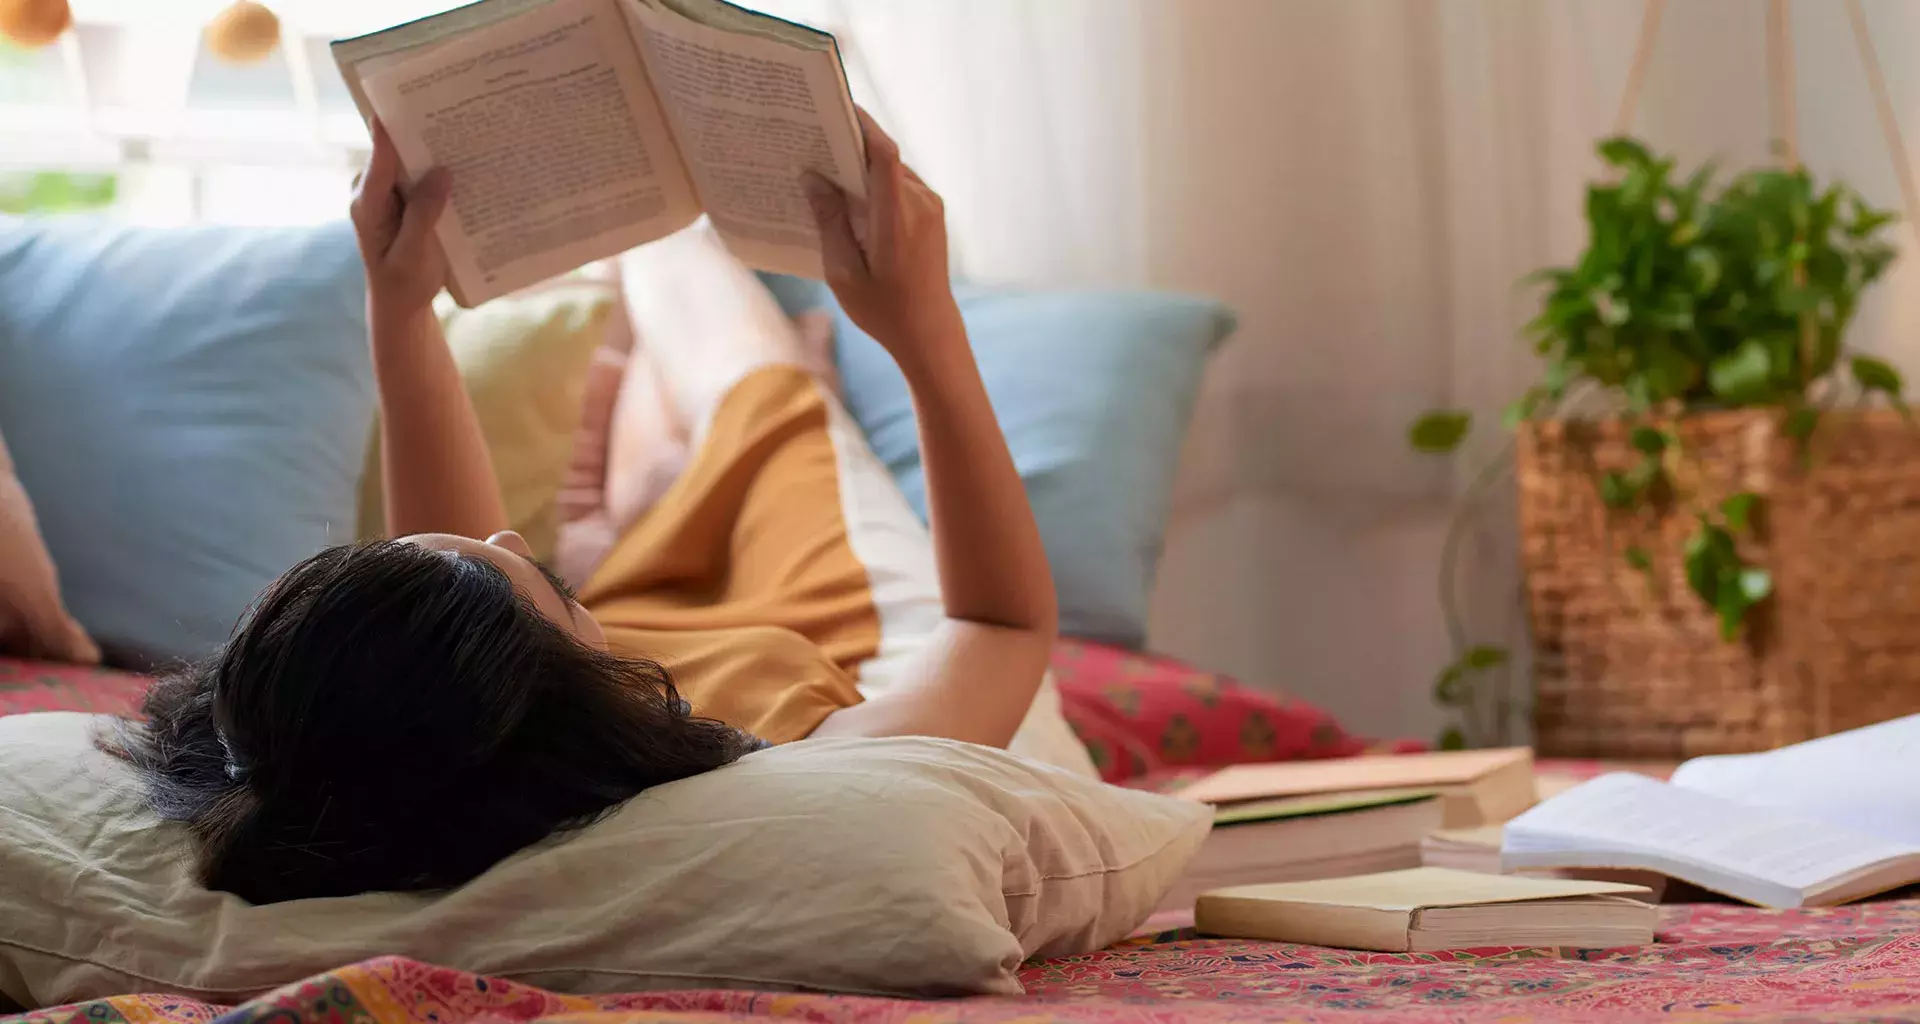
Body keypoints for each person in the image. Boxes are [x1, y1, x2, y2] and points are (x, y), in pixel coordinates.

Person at [112, 110, 1059, 905]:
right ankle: (663, 269)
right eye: (550, 579)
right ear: (558, 688)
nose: (509, 529)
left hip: (658, 632)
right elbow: (1001, 623)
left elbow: (448, 608)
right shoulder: (813, 769)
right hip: (855, 623)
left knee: (677, 428)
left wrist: (399, 310)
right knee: (750, 378)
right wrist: (922, 326)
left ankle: (639, 399)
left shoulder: (430, 741)